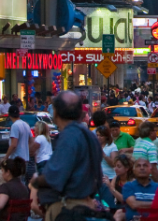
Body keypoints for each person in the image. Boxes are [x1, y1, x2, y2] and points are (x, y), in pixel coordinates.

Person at [30, 91, 103, 221]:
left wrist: (36, 180)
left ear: (56, 113)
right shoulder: (90, 136)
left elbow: (55, 177)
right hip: (86, 204)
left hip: (68, 208)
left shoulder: (69, 137)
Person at [0, 157, 30, 221]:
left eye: (2, 171)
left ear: (7, 172)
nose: (1, 174)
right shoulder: (23, 187)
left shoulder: (6, 187)